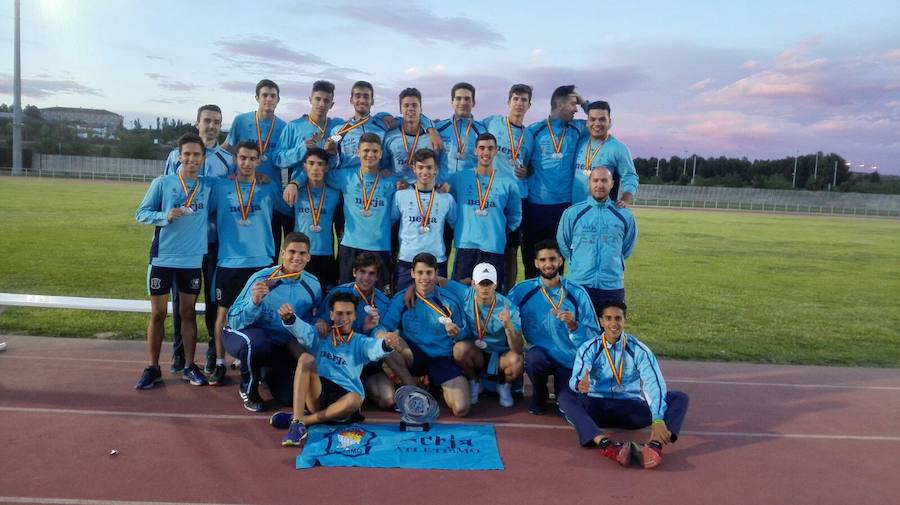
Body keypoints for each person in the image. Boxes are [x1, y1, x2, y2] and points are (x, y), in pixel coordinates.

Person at [558, 301, 689, 469]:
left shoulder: (640, 350)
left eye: (618, 318)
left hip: (630, 411)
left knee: (679, 397)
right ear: (601, 321)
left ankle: (655, 445)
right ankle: (606, 444)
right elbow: (577, 376)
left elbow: (653, 383)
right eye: (608, 318)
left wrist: (657, 419)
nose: (614, 323)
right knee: (565, 396)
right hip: (596, 407)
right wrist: (579, 384)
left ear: (624, 321)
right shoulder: (589, 348)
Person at [135, 133, 214, 389]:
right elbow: (141, 213)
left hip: (191, 260)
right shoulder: (162, 183)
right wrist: (165, 215)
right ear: (179, 157)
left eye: (196, 154)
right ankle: (153, 367)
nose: (191, 159)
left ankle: (190, 366)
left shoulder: (208, 186)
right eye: (187, 154)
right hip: (163, 257)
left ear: (203, 158)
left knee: (187, 313)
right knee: (158, 314)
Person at [208, 140, 290, 385]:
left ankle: (256, 363)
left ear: (259, 161)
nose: (246, 163)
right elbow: (202, 211)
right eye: (242, 158)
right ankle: (219, 362)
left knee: (261, 313)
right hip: (229, 261)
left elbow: (289, 208)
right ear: (235, 159)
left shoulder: (268, 186)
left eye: (252, 158)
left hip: (261, 262)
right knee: (223, 313)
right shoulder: (221, 187)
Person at [163, 105, 235, 375]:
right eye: (207, 121)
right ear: (197, 123)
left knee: (215, 299)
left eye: (217, 121)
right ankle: (180, 351)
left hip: (214, 240)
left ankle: (214, 351)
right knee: (182, 301)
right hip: (183, 242)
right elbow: (167, 189)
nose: (212, 126)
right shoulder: (175, 156)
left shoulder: (227, 160)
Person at [278, 292, 402, 446]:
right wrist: (289, 318)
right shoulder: (321, 334)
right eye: (339, 313)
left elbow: (375, 349)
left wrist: (386, 344)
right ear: (331, 315)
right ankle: (297, 422)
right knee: (305, 358)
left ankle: (304, 420)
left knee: (355, 399)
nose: (344, 318)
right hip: (318, 392)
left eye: (348, 313)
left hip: (344, 399)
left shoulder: (360, 341)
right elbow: (303, 330)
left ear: (355, 316)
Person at [222, 232, 322, 411]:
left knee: (287, 397)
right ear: (282, 253)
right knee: (256, 342)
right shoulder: (261, 278)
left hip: (281, 344)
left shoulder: (313, 284)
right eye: (292, 252)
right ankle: (248, 389)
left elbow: (313, 316)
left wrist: (319, 321)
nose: (296, 257)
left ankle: (263, 372)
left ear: (309, 257)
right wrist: (254, 302)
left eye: (302, 253)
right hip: (246, 335)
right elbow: (233, 320)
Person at [374, 252, 473, 417]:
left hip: (441, 359)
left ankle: (435, 385)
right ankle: (413, 389)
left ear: (436, 273)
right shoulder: (402, 299)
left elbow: (466, 333)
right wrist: (384, 335)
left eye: (429, 273)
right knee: (388, 341)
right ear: (412, 273)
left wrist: (457, 332)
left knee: (461, 408)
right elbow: (382, 328)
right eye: (420, 273)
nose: (424, 278)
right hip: (414, 357)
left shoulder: (449, 301)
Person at [507, 240, 599, 414]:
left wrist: (574, 326)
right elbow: (500, 308)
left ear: (560, 261)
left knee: (566, 406)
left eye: (552, 259)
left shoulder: (577, 293)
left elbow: (594, 335)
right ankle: (540, 393)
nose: (548, 264)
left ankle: (561, 391)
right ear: (536, 263)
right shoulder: (522, 291)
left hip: (569, 358)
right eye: (543, 260)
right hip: (539, 354)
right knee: (533, 358)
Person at [522, 85, 588, 279]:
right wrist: (525, 170)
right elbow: (522, 161)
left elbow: (600, 118)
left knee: (558, 260)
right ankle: (532, 294)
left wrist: (584, 101)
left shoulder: (577, 128)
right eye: (573, 104)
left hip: (564, 207)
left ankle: (555, 296)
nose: (576, 110)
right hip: (536, 206)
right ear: (559, 104)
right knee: (532, 258)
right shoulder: (534, 130)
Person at [315, 252, 395, 409]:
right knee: (330, 402)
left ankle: (361, 389)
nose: (366, 277)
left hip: (368, 365)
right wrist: (321, 322)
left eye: (371, 273)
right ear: (354, 272)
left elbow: (380, 338)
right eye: (362, 272)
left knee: (388, 400)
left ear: (377, 277)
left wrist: (372, 331)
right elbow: (322, 323)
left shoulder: (384, 302)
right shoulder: (337, 294)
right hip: (340, 362)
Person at [221, 79, 291, 253]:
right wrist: (201, 154)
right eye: (265, 95)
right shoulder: (241, 121)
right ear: (257, 98)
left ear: (278, 99)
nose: (269, 99)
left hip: (269, 192)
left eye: (273, 96)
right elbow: (226, 148)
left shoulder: (284, 127)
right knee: (241, 239)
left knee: (271, 244)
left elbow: (287, 159)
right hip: (241, 190)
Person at [443, 263, 524, 407]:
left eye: (489, 283)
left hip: (499, 355)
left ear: (496, 284)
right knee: (459, 350)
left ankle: (504, 386)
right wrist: (412, 289)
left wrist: (508, 327)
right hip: (476, 352)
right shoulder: (465, 294)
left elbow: (518, 349)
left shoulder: (508, 307)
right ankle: (474, 381)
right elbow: (438, 281)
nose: (485, 288)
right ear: (473, 284)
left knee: (517, 361)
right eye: (481, 283)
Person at [449, 133, 521, 293]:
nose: (486, 152)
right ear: (475, 151)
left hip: (493, 246)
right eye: (482, 148)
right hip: (466, 244)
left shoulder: (508, 182)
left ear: (495, 151)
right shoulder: (459, 178)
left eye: (490, 148)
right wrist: (458, 226)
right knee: (461, 293)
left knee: (491, 295)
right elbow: (449, 204)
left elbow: (515, 215)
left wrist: (499, 231)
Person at [557, 166, 637, 310]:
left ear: (612, 184)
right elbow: (563, 242)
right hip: (579, 284)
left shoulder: (624, 215)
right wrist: (576, 262)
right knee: (577, 324)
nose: (599, 185)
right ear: (589, 183)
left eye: (604, 181)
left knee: (611, 325)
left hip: (612, 286)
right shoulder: (572, 213)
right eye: (595, 180)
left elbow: (626, 247)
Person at [482, 84, 535, 288]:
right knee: (489, 246)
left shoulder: (529, 135)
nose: (519, 103)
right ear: (508, 102)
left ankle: (509, 293)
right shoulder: (492, 122)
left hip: (518, 198)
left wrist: (527, 171)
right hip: (492, 195)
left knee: (512, 249)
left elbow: (530, 164)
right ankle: (485, 289)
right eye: (516, 99)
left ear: (529, 105)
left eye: (524, 100)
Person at [333, 133, 398, 288]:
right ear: (358, 152)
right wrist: (294, 184)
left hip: (380, 247)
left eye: (375, 151)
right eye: (366, 150)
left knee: (379, 296)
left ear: (381, 154)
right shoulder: (345, 176)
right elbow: (317, 172)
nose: (370, 155)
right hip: (351, 246)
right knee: (347, 294)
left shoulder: (392, 180)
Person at [392, 148, 456, 291]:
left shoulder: (446, 198)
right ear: (414, 168)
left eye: (429, 167)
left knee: (434, 303)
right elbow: (391, 222)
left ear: (436, 169)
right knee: (403, 300)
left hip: (436, 261)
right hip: (407, 260)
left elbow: (455, 225)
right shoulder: (401, 195)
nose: (425, 172)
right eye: (420, 167)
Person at [291, 148, 341, 290]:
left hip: (325, 253)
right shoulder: (296, 192)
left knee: (324, 295)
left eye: (320, 164)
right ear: (304, 166)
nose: (315, 168)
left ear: (326, 167)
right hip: (300, 254)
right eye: (311, 163)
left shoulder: (335, 194)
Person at [571, 101, 638, 206]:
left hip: (601, 210)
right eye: (593, 119)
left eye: (602, 119)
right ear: (587, 122)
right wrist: (582, 102)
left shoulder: (618, 148)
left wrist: (625, 199)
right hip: (575, 209)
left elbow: (630, 177)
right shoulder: (578, 142)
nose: (597, 123)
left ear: (609, 122)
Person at [275, 80, 342, 183]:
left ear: (331, 105)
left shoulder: (337, 126)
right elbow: (277, 158)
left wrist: (333, 152)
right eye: (318, 99)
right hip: (300, 187)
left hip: (330, 188)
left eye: (326, 101)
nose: (321, 104)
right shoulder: (293, 126)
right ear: (310, 100)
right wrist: (302, 148)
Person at [382, 88, 440, 185]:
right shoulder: (390, 136)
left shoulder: (432, 138)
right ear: (400, 109)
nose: (410, 108)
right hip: (398, 188)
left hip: (423, 189)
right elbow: (384, 166)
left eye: (414, 105)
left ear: (421, 109)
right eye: (406, 105)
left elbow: (437, 167)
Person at [434, 82, 487, 180]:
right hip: (442, 186)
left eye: (467, 99)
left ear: (473, 103)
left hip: (469, 186)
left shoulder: (482, 132)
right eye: (458, 98)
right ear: (452, 102)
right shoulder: (438, 129)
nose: (463, 103)